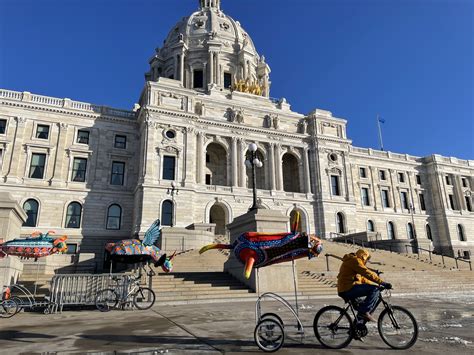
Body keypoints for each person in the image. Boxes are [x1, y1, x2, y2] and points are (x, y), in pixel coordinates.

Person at [337, 249, 392, 322]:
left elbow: (363, 279)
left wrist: (377, 284)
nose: (366, 262)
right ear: (363, 257)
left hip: (346, 288)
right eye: (366, 259)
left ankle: (355, 328)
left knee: (363, 304)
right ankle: (364, 312)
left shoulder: (354, 262)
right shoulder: (355, 260)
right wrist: (383, 283)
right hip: (347, 288)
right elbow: (367, 273)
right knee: (374, 291)